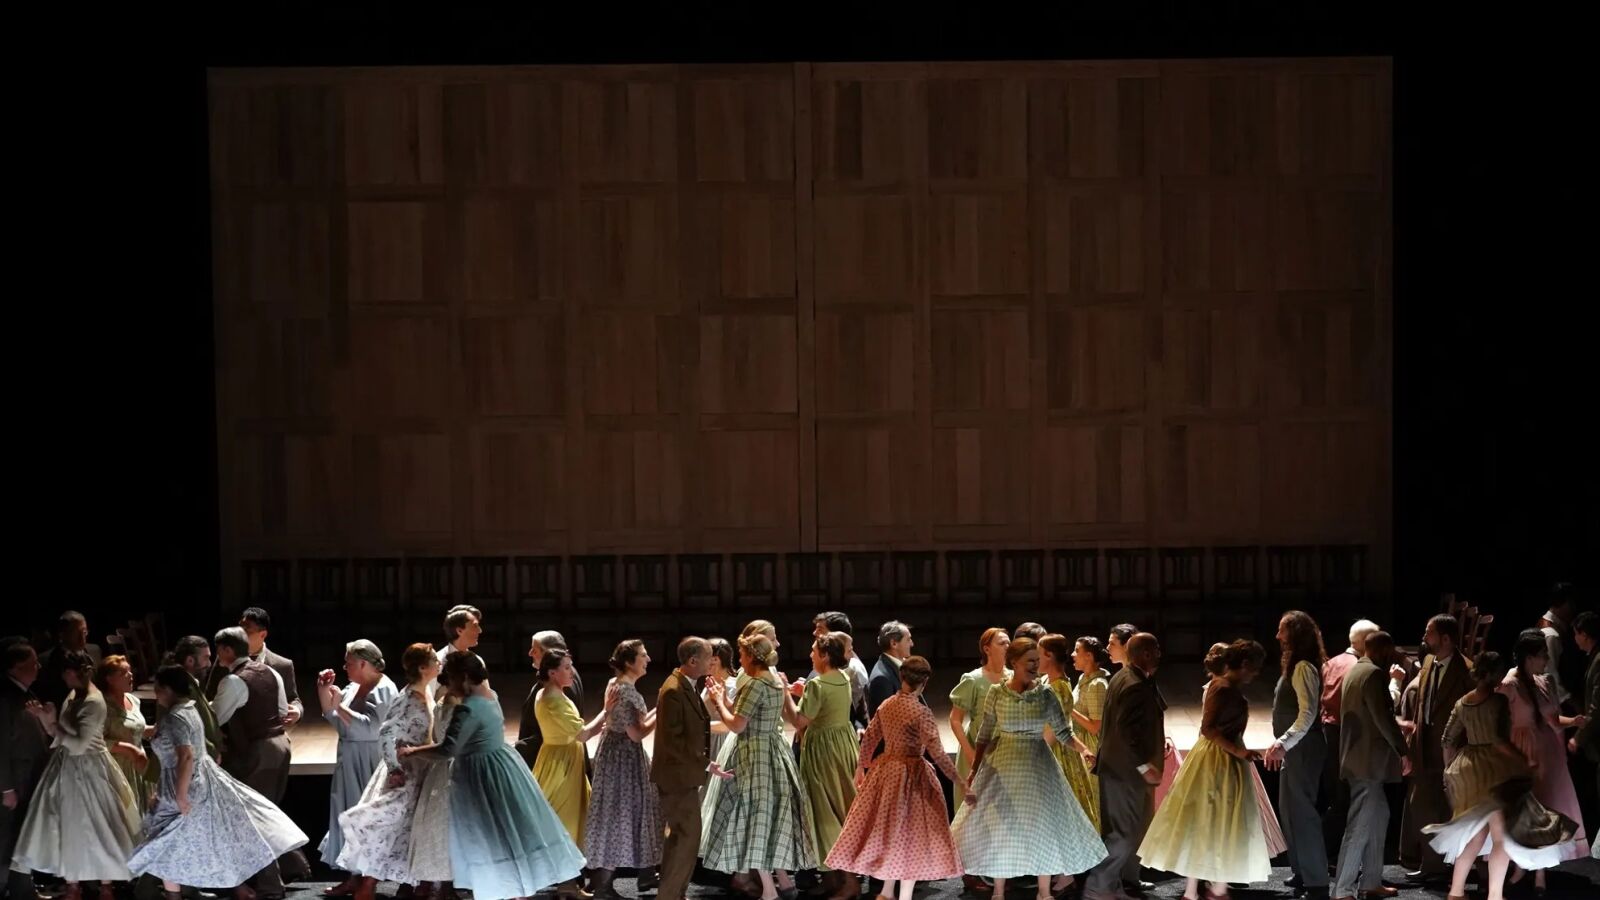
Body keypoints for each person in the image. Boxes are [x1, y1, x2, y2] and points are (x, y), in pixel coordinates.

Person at [400, 653, 588, 900]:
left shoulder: (467, 708)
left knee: (486, 835)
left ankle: (503, 890)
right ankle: (511, 890)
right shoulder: (491, 698)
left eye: (453, 679)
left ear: (464, 677)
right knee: (504, 832)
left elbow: (448, 749)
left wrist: (412, 752)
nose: (450, 685)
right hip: (503, 767)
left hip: (481, 774)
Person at [128, 666, 308, 900]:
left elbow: (186, 755)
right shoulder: (189, 709)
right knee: (177, 843)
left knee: (169, 843)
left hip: (186, 785)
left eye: (158, 689)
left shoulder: (176, 716)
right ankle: (192, 890)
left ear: (167, 689)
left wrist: (180, 794)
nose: (156, 694)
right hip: (190, 781)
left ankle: (178, 892)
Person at [952, 637, 1107, 900]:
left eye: (1037, 660)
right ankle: (998, 891)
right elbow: (984, 735)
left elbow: (1063, 732)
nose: (1035, 665)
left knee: (1043, 827)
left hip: (1038, 765)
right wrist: (975, 768)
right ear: (1014, 662)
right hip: (1004, 764)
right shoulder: (997, 692)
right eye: (1030, 661)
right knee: (1002, 827)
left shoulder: (1045, 694)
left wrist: (1084, 750)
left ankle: (1044, 892)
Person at [1423, 651, 1579, 900]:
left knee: (1477, 835)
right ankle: (1494, 895)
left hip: (1469, 770)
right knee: (1501, 837)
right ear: (1495, 674)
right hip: (1495, 770)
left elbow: (1447, 740)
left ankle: (1456, 892)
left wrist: (1449, 772)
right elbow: (1499, 741)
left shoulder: (1462, 703)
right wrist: (1522, 762)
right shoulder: (1497, 701)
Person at [826, 656, 969, 900]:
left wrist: (862, 766)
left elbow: (870, 737)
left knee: (893, 833)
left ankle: (886, 892)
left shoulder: (887, 705)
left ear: (902, 677)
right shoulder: (920, 712)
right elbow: (937, 752)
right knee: (912, 837)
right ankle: (902, 895)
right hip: (913, 776)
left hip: (886, 772)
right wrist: (959, 780)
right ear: (924, 682)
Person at [1139, 640, 1272, 898]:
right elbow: (1208, 729)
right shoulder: (1221, 687)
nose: (1256, 674)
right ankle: (1206, 889)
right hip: (1217, 760)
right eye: (1254, 668)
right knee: (1210, 821)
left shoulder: (1227, 687)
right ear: (1244, 664)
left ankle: (1207, 888)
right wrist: (1238, 752)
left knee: (1215, 823)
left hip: (1227, 758)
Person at [8, 651, 141, 900]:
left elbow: (79, 744)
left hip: (90, 767)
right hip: (67, 767)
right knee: (69, 824)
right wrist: (47, 720)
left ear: (74, 673)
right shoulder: (74, 695)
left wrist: (52, 723)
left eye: (66, 674)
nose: (64, 679)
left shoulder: (94, 701)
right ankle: (73, 883)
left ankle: (105, 885)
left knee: (99, 823)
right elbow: (61, 736)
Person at [701, 634, 814, 900]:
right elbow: (745, 712)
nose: (739, 660)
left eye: (742, 654)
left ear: (752, 656)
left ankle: (769, 890)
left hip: (755, 754)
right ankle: (784, 882)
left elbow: (737, 724)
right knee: (768, 816)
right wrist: (724, 700)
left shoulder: (755, 684)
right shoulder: (773, 680)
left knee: (754, 819)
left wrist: (718, 702)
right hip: (772, 750)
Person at [334, 644, 439, 900]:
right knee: (389, 827)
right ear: (422, 667)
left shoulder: (425, 692)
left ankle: (410, 884)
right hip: (406, 770)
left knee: (409, 829)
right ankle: (366, 885)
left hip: (422, 768)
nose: (439, 664)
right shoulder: (407, 698)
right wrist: (394, 768)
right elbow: (385, 732)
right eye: (435, 661)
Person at [1499, 628, 1590, 891]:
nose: (1547, 660)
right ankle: (1520, 867)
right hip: (1523, 752)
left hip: (1547, 754)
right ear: (1529, 657)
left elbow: (1553, 721)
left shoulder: (1543, 682)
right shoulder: (1509, 684)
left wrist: (1574, 722)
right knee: (1524, 813)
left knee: (1545, 812)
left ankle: (1539, 873)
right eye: (1542, 655)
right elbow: (1499, 723)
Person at [211, 626, 293, 899]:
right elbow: (282, 712)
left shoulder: (234, 681)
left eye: (218, 650)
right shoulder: (269, 672)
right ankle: (288, 869)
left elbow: (215, 718)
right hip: (280, 746)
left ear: (226, 650)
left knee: (254, 819)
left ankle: (271, 884)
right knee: (266, 814)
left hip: (259, 751)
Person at [1083, 633, 1164, 900]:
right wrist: (1143, 766)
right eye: (1156, 649)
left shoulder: (1128, 678)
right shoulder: (1133, 684)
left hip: (1118, 769)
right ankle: (1098, 886)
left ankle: (1113, 885)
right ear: (1146, 653)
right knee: (1124, 833)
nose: (1160, 654)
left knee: (1127, 830)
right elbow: (1126, 731)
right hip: (1124, 771)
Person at [317, 640, 400, 896]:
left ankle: (366, 880)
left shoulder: (384, 689)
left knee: (365, 817)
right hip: (350, 756)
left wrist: (339, 706)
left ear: (364, 664)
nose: (345, 667)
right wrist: (324, 690)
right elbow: (334, 717)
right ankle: (353, 876)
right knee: (347, 812)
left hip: (369, 758)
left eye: (349, 663)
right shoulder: (353, 688)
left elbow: (373, 729)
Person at [1331, 631, 1407, 900]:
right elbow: (1383, 717)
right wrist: (1403, 751)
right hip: (1367, 764)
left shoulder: (1356, 670)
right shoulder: (1373, 674)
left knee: (1378, 817)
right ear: (1384, 650)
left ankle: (1371, 882)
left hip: (1359, 760)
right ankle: (1342, 889)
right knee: (1360, 825)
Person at [583, 640, 662, 900]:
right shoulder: (627, 693)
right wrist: (660, 714)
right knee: (621, 816)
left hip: (615, 755)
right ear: (629, 662)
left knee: (634, 811)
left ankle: (645, 872)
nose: (648, 659)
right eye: (643, 655)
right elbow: (636, 734)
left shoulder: (615, 684)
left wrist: (657, 709)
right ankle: (604, 885)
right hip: (623, 761)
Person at [1399, 614, 1475, 883]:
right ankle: (1431, 864)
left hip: (1452, 750)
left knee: (1450, 810)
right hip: (1425, 747)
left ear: (1445, 638)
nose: (1424, 637)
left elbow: (1472, 715)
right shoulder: (1429, 663)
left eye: (1429, 632)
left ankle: (1451, 866)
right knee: (1421, 805)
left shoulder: (1467, 671)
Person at [1261, 612, 1330, 900]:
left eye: (1282, 630)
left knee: (1302, 814)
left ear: (1296, 634)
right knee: (1289, 811)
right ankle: (1302, 871)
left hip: (1303, 747)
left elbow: (1308, 713)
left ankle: (1317, 883)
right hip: (1294, 749)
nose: (1277, 636)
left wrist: (1283, 742)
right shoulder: (1295, 665)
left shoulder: (1303, 667)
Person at [790, 633, 859, 900]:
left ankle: (849, 882)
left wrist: (784, 695)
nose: (810, 655)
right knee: (838, 808)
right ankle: (832, 879)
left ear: (825, 655)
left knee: (827, 814)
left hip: (823, 752)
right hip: (842, 746)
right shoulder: (843, 677)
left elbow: (799, 721)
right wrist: (802, 693)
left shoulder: (818, 684)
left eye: (814, 651)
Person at [650, 638, 711, 900]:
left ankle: (675, 893)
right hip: (676, 778)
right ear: (693, 661)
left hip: (683, 776)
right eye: (708, 657)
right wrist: (703, 762)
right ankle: (669, 895)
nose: (711, 662)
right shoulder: (673, 690)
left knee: (682, 838)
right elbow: (672, 741)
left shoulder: (687, 685)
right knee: (686, 838)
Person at [532, 648, 608, 848]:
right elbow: (582, 734)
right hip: (561, 762)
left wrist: (598, 725)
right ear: (552, 673)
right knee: (563, 813)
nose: (572, 672)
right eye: (566, 668)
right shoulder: (554, 701)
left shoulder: (548, 693)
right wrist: (606, 711)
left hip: (559, 756)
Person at [408, 653, 466, 900]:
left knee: (438, 827)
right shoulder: (456, 705)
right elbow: (450, 743)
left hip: (440, 769)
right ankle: (443, 885)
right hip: (452, 770)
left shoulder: (442, 699)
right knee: (445, 828)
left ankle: (432, 883)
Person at [1, 641, 51, 900]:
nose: (38, 666)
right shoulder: (5, 698)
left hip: (30, 777)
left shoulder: (26, 693)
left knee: (23, 835)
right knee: (7, 838)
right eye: (33, 663)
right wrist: (6, 788)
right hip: (15, 781)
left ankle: (22, 888)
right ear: (17, 667)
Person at [1039, 634, 1097, 833]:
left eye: (1038, 654)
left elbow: (1055, 731)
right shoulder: (1046, 680)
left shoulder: (1059, 688)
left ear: (1049, 655)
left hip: (1056, 751)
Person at [515, 631, 584, 771]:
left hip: (555, 763)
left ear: (549, 653)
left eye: (535, 650)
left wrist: (521, 749)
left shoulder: (561, 683)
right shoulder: (561, 676)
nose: (530, 653)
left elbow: (557, 731)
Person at [949, 628, 1010, 782]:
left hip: (1006, 751)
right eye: (1001, 643)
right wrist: (970, 754)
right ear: (987, 649)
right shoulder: (974, 679)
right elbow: (955, 719)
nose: (1007, 647)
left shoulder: (1014, 678)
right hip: (979, 748)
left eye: (1009, 643)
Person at [96, 655, 154, 811]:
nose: (130, 675)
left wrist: (155, 729)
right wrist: (128, 750)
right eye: (123, 673)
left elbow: (136, 729)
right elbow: (96, 741)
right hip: (118, 769)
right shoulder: (101, 706)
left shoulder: (133, 700)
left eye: (130, 671)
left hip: (139, 764)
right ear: (109, 679)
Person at [1070, 636, 1113, 836]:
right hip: (1079, 741)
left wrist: (1068, 709)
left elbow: (1096, 726)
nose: (1073, 655)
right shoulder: (1083, 679)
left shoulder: (1097, 685)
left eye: (1077, 651)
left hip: (1090, 745)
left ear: (1088, 656)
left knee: (1091, 796)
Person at [170, 637, 221, 762]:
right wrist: (212, 752)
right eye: (206, 658)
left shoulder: (189, 683)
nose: (209, 664)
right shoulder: (182, 687)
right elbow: (189, 727)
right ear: (190, 660)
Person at [36, 613, 99, 709]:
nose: (82, 638)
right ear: (62, 634)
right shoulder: (44, 661)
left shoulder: (95, 651)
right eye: (76, 633)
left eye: (84, 632)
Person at [866, 622, 914, 716]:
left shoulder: (901, 665)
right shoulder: (882, 679)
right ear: (894, 644)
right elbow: (887, 719)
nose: (912, 644)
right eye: (908, 639)